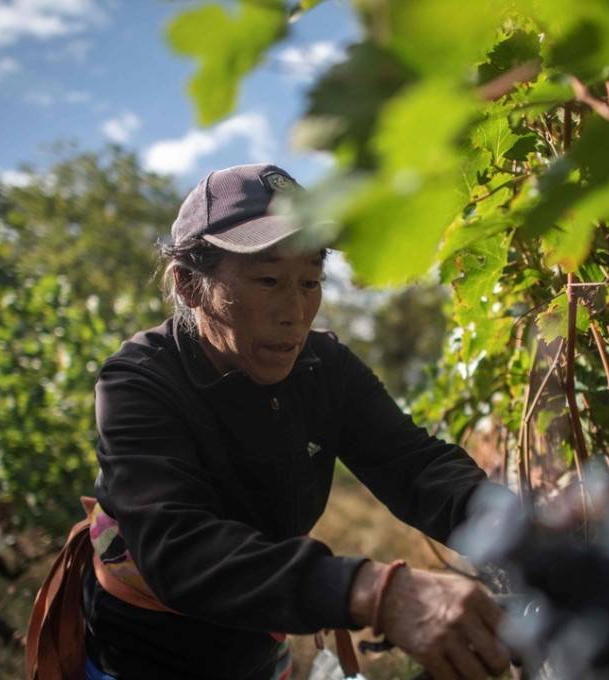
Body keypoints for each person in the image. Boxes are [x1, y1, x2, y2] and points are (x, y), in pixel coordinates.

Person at [79, 163, 513, 680]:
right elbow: (181, 548)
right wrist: (377, 591)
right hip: (144, 659)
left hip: (261, 640)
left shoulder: (321, 367)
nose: (295, 311)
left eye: (310, 280)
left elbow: (413, 465)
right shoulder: (140, 382)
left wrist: (515, 531)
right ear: (190, 286)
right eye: (268, 279)